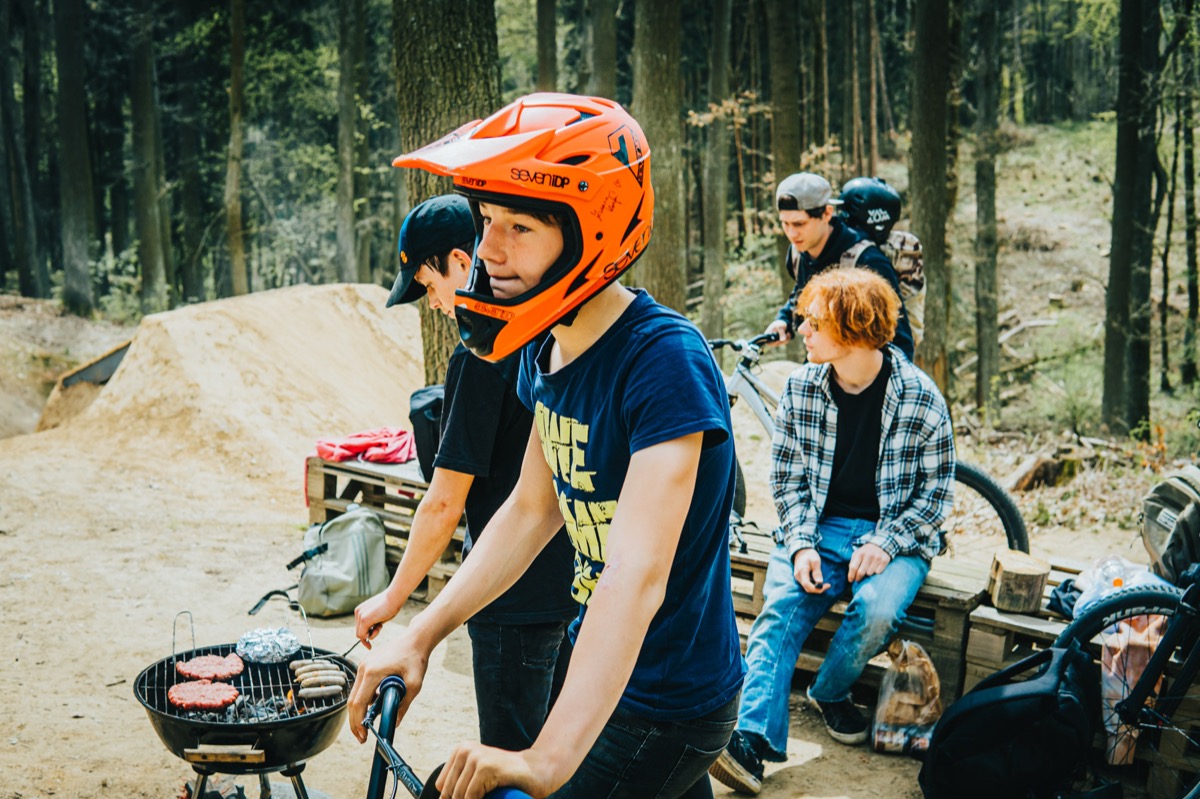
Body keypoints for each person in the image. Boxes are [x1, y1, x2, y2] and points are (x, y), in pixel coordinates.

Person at [347, 93, 745, 799]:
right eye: (487, 221)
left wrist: (546, 760)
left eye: (521, 226)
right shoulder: (547, 348)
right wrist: (423, 632)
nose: (490, 249)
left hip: (666, 697)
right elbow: (532, 510)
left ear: (594, 232)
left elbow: (635, 574)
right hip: (597, 665)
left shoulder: (662, 362)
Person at [710, 267, 955, 795]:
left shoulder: (921, 397)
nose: (801, 330)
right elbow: (787, 480)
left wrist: (886, 542)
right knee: (778, 613)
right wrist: (800, 544)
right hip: (819, 527)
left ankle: (829, 691)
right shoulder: (801, 388)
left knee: (878, 610)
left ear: (854, 329)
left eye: (815, 323)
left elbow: (936, 498)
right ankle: (751, 742)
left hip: (898, 534)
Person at [353, 194, 578, 752]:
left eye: (430, 286)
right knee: (555, 756)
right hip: (568, 585)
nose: (433, 304)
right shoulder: (551, 333)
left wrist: (392, 597)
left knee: (509, 761)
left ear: (461, 261)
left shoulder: (481, 355)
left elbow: (443, 503)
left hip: (508, 597)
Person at [762, 172, 916, 360]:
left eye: (799, 224)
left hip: (859, 371)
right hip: (823, 361)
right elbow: (802, 294)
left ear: (827, 213)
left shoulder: (866, 261)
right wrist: (784, 320)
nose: (792, 233)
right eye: (785, 224)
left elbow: (900, 340)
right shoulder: (799, 252)